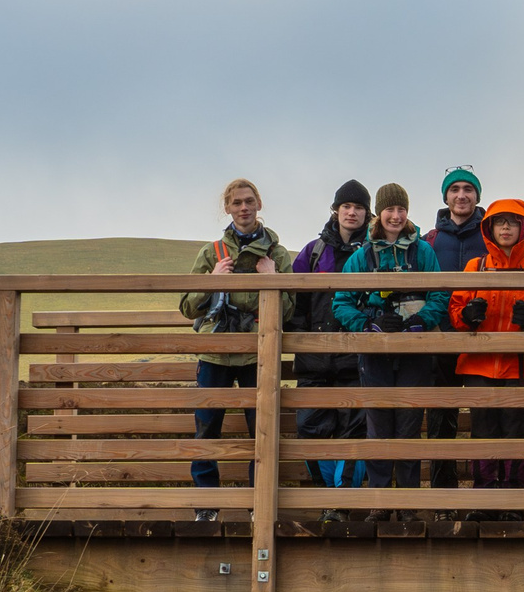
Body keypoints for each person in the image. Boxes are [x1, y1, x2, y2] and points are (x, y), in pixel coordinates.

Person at [176, 178, 287, 521]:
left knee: (262, 431)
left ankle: (259, 505)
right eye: (236, 202)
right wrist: (212, 279)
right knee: (207, 429)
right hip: (214, 354)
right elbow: (187, 307)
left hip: (258, 354)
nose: (243, 207)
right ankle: (206, 507)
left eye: (249, 201)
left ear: (259, 205)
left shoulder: (276, 254)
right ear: (227, 207)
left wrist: (273, 280)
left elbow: (292, 309)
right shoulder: (211, 253)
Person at [333, 183, 450, 498]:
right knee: (379, 426)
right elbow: (342, 301)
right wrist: (369, 324)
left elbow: (440, 293)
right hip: (375, 354)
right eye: (390, 210)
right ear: (379, 213)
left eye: (401, 210)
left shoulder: (423, 251)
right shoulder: (362, 257)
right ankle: (380, 500)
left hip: (415, 352)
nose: (396, 216)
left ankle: (409, 501)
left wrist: (420, 321)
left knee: (410, 425)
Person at [449, 198, 524, 500]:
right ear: (489, 228)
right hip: (478, 365)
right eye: (499, 222)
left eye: (512, 222)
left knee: (515, 431)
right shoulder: (476, 266)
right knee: (482, 431)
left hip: (520, 366)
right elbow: (455, 310)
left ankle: (514, 497)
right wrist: (467, 315)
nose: (505, 227)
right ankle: (483, 496)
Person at [290, 180, 371, 500]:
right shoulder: (313, 252)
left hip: (358, 362)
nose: (352, 212)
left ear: (368, 215)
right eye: (346, 206)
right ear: (336, 210)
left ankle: (344, 505)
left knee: (355, 435)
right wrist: (302, 341)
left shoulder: (373, 253)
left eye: (359, 208)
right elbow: (295, 305)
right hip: (314, 364)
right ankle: (327, 500)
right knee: (310, 434)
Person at [424, 167, 488, 489]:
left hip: (483, 338)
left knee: (484, 417)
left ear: (477, 196)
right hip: (441, 338)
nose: (461, 195)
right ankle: (442, 497)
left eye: (468, 189)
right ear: (445, 196)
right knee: (440, 420)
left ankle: (483, 497)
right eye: (454, 189)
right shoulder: (429, 241)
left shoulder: (491, 236)